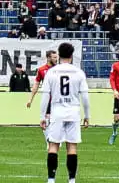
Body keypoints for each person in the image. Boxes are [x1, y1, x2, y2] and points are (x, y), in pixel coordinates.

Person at [40, 41, 89, 183]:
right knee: (72, 146)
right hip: (73, 111)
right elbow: (85, 96)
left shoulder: (51, 72)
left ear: (59, 55)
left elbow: (45, 95)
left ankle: (51, 180)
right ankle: (72, 180)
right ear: (72, 55)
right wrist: (87, 115)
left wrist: (42, 116)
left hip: (57, 111)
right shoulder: (79, 72)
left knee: (53, 145)